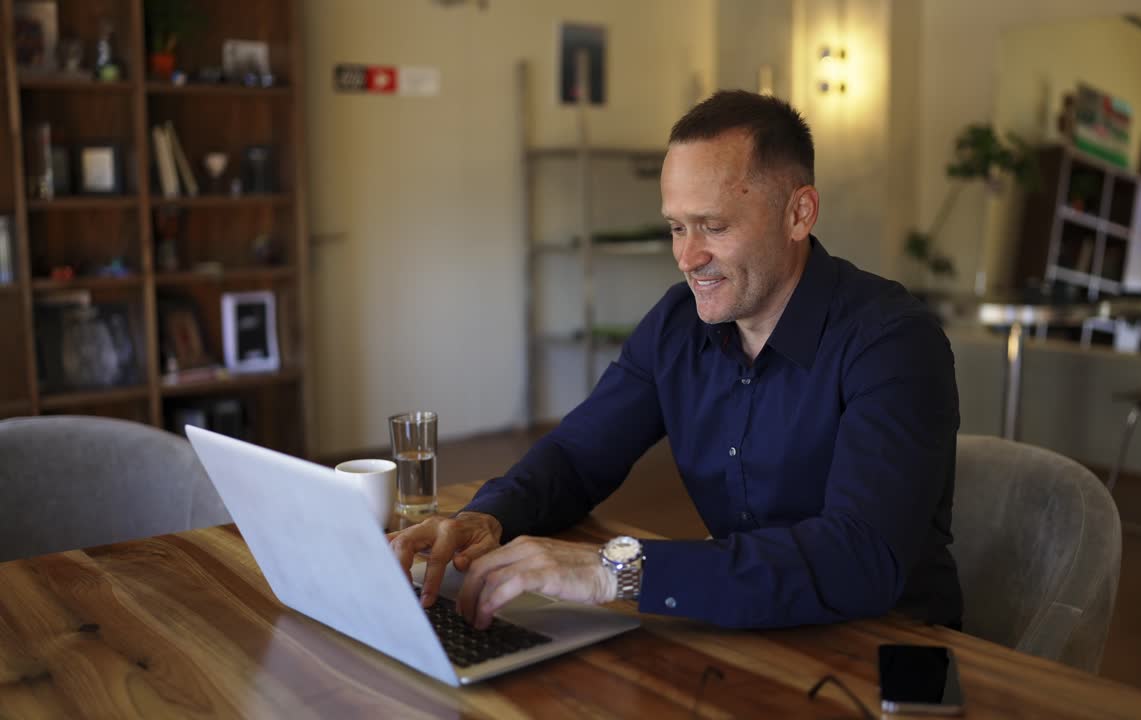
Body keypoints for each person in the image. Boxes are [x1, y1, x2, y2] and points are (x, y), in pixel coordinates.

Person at [390, 90, 962, 632]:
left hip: (884, 647)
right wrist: (487, 518)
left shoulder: (893, 342)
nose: (688, 258)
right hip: (745, 638)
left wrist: (615, 570)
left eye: (714, 226)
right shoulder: (677, 323)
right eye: (676, 228)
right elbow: (577, 455)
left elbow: (857, 558)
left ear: (799, 214)